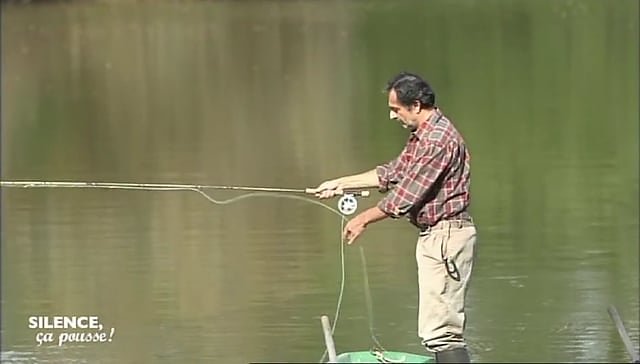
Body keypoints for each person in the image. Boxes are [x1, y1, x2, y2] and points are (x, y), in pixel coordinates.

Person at [310, 72, 477, 363]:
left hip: (446, 238)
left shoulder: (438, 140)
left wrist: (363, 219)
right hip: (436, 237)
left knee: (442, 333)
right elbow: (391, 173)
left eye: (395, 109)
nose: (392, 116)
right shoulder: (424, 136)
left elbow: (405, 197)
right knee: (435, 331)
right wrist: (341, 183)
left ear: (415, 105)